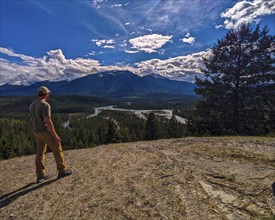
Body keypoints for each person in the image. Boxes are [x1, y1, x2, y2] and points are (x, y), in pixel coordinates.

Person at [29, 86, 72, 183]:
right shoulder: (45, 105)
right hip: (45, 132)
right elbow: (48, 121)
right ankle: (62, 170)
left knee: (40, 153)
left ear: (38, 94)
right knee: (57, 148)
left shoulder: (32, 104)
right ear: (46, 94)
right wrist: (55, 135)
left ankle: (40, 175)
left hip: (36, 132)